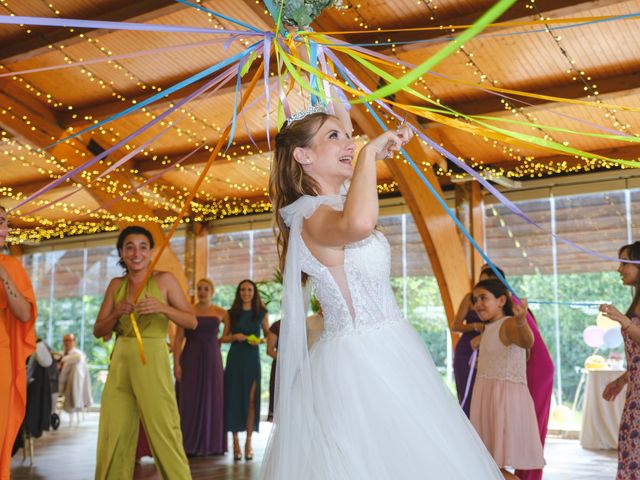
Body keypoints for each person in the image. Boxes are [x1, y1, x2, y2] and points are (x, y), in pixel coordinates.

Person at [260, 106, 502, 479]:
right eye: (334, 135)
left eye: (348, 134)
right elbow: (359, 224)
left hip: (392, 346)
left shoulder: (333, 207)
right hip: (359, 362)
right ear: (303, 156)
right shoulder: (311, 215)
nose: (349, 142)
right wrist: (369, 155)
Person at [93, 225, 197, 479]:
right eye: (129, 247)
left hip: (152, 357)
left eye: (142, 247)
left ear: (150, 252)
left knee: (164, 428)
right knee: (113, 429)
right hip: (120, 360)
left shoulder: (164, 280)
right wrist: (117, 313)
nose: (136, 253)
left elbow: (191, 321)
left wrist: (163, 307)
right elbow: (98, 330)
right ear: (121, 252)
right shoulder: (116, 284)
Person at [479, 265, 554, 480]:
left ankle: (528, 476)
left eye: (487, 282)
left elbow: (527, 341)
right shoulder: (494, 316)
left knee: (528, 427)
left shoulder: (514, 308)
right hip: (515, 367)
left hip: (534, 369)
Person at [0, 204, 37, 480]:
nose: (4, 229)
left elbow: (24, 313)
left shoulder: (10, 265)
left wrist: (2, 274)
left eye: (4, 222)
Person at [600, 241, 640, 479]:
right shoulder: (636, 300)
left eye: (625, 263)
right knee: (631, 456)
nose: (619, 269)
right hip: (635, 393)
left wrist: (624, 321)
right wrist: (623, 380)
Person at [174, 278, 227, 456]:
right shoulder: (187, 311)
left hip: (212, 358)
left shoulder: (221, 312)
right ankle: (187, 444)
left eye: (206, 288)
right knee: (188, 398)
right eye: (199, 288)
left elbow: (227, 336)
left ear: (212, 291)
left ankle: (212, 444)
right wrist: (176, 364)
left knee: (213, 397)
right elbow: (178, 339)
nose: (202, 291)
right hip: (190, 358)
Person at [222, 279, 269, 461]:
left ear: (254, 292)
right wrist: (235, 336)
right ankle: (234, 442)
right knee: (233, 399)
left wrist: (259, 341)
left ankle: (248, 442)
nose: (246, 293)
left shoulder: (261, 313)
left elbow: (267, 337)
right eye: (243, 290)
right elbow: (223, 338)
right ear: (238, 292)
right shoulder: (231, 314)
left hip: (252, 360)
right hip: (235, 359)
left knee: (251, 401)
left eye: (249, 290)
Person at [58, 333, 92, 414]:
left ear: (74, 342)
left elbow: (78, 358)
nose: (67, 343)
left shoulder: (78, 354)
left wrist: (62, 359)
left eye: (69, 340)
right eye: (65, 340)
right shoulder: (60, 353)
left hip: (68, 385)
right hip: (58, 381)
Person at [266, 319, 280, 422]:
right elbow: (270, 350)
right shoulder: (277, 325)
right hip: (279, 367)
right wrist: (287, 359)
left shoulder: (305, 324)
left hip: (300, 369)